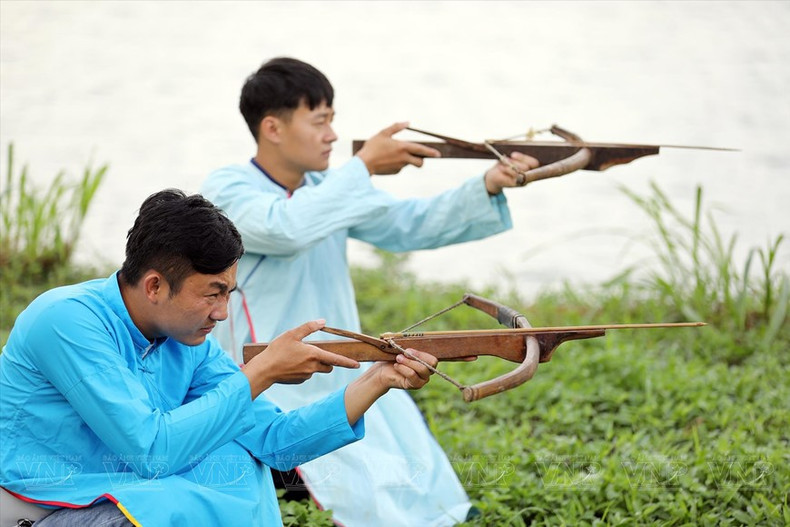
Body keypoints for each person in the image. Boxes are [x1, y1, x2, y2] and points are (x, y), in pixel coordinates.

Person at [200, 57, 539, 526]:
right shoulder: (230, 189)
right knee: (346, 483)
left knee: (406, 461)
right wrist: (361, 168)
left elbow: (407, 224)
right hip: (272, 380)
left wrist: (486, 183)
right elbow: (285, 229)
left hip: (340, 363)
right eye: (320, 122)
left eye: (333, 122)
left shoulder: (327, 186)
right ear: (273, 128)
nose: (332, 136)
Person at [0, 189, 437, 527]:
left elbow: (276, 442)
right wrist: (261, 372)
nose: (222, 313)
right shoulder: (66, 321)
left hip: (121, 489)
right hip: (38, 505)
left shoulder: (187, 342)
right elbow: (152, 451)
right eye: (212, 293)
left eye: (229, 293)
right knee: (190, 481)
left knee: (234, 454)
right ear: (155, 286)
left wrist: (377, 380)